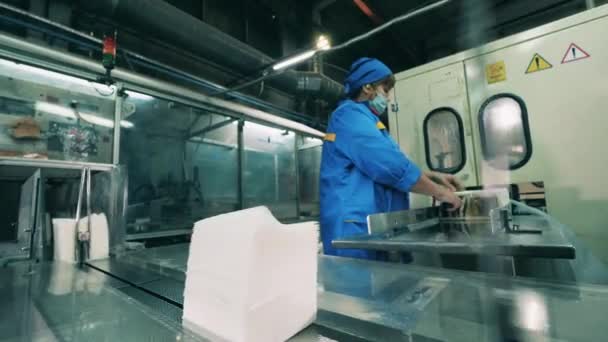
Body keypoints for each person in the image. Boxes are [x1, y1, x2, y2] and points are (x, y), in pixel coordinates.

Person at [319, 57, 463, 260]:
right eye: (385, 90)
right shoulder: (348, 116)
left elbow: (391, 162)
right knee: (354, 289)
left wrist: (434, 176)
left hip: (369, 225)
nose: (388, 98)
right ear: (367, 87)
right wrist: (441, 193)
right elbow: (389, 166)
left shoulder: (368, 120)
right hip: (353, 230)